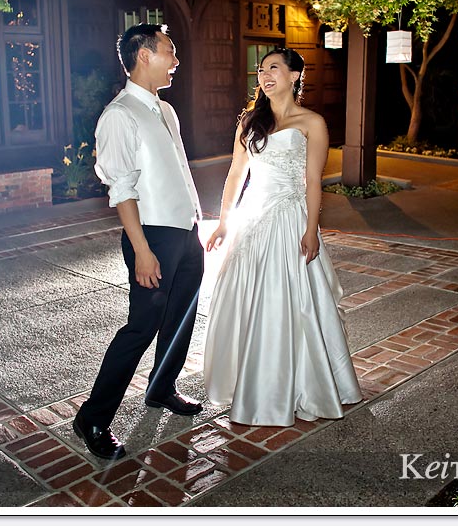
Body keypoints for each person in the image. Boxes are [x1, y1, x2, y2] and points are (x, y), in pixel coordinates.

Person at [203, 47, 362, 427]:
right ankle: (254, 383)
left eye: (273, 68)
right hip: (253, 220)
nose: (265, 75)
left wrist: (310, 230)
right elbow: (236, 174)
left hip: (291, 219)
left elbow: (313, 182)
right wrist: (224, 222)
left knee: (295, 302)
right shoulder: (250, 122)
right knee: (248, 299)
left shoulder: (312, 122)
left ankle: (306, 385)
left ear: (294, 75)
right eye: (261, 70)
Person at [73, 23, 204, 460]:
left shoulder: (166, 111)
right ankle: (93, 418)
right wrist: (143, 250)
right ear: (144, 55)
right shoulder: (119, 114)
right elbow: (122, 189)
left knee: (180, 317)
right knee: (141, 328)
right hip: (152, 237)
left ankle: (162, 386)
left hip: (186, 232)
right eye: (170, 51)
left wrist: (195, 223)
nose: (176, 61)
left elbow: (177, 171)